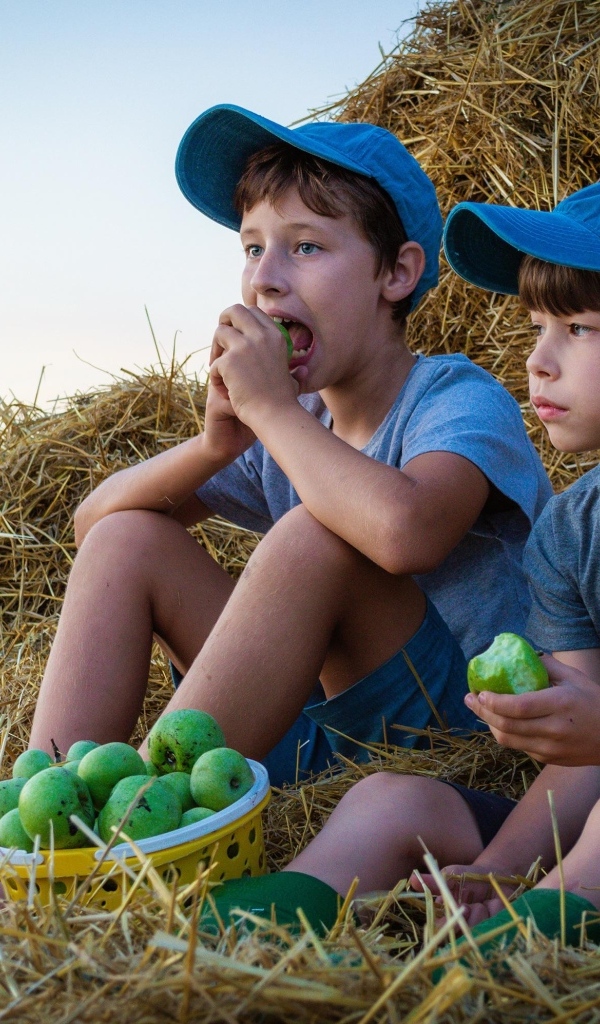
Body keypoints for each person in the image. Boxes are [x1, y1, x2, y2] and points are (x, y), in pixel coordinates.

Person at [28, 105, 550, 791]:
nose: (265, 278)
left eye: (305, 247)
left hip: (450, 735)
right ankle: (47, 808)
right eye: (252, 248)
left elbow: (407, 534)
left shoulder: (455, 397)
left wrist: (271, 411)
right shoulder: (292, 421)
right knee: (129, 539)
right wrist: (215, 444)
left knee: (314, 536)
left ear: (396, 274)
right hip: (310, 735)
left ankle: (142, 821)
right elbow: (94, 528)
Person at [209, 181, 600, 946]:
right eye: (537, 327)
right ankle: (241, 948)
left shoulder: (451, 399)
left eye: (580, 329)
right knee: (385, 801)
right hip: (571, 820)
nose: (538, 362)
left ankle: (518, 949)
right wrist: (495, 869)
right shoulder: (568, 532)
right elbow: (581, 752)